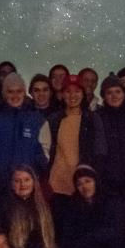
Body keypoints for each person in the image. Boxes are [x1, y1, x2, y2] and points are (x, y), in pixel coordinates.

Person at [0, 73, 51, 190]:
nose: (15, 95)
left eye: (19, 91)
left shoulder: (37, 120)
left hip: (25, 184)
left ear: (24, 92)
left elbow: (45, 152)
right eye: (10, 91)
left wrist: (34, 173)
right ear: (4, 93)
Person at [46, 75, 106, 205]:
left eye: (77, 91)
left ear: (83, 94)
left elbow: (100, 151)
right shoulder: (54, 120)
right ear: (62, 94)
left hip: (82, 185)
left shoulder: (92, 119)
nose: (72, 95)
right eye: (68, 91)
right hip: (56, 185)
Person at [0, 165, 58, 248]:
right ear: (11, 184)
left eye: (27, 180)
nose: (22, 184)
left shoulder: (44, 207)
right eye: (17, 181)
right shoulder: (3, 207)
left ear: (34, 182)